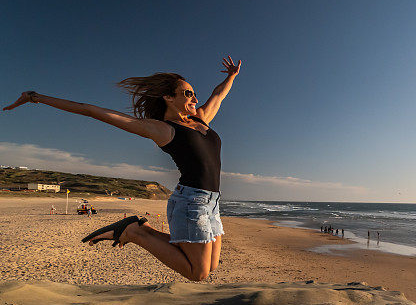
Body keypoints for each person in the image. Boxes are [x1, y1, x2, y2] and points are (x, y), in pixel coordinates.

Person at [3, 56, 242, 281]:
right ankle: (135, 232)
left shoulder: (201, 118)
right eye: (188, 93)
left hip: (212, 202)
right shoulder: (162, 129)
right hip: (191, 202)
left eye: (194, 94)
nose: (195, 99)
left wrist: (231, 76)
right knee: (196, 272)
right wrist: (35, 97)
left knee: (211, 267)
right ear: (168, 98)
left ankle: (140, 228)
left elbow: (218, 95)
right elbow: (91, 110)